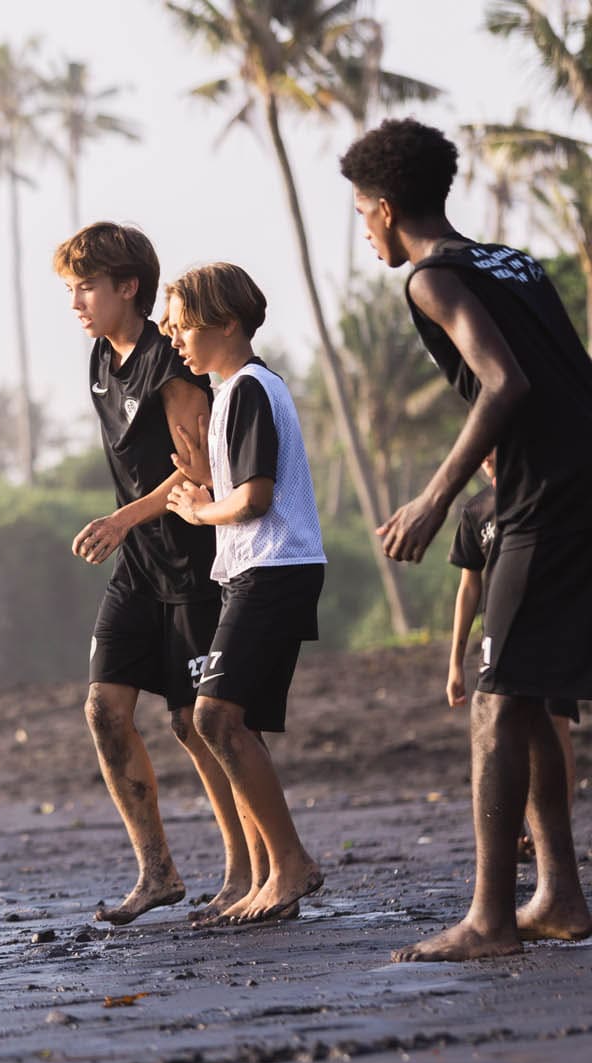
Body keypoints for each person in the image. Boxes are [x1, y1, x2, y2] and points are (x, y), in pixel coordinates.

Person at [340, 117, 592, 959]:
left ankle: (490, 918)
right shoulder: (513, 261)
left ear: (381, 208)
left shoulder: (429, 278)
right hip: (572, 486)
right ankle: (557, 893)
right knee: (530, 695)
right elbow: (564, 374)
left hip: (545, 504)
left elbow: (505, 380)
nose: (361, 227)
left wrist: (433, 497)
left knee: (494, 699)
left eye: (359, 211)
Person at [53, 222, 261, 925]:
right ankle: (157, 872)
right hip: (137, 568)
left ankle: (245, 869)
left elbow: (198, 467)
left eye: (86, 287)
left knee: (191, 721)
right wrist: (125, 526)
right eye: (71, 289)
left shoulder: (166, 365)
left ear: (127, 287)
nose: (76, 302)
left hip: (195, 562)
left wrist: (122, 519)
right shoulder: (96, 360)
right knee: (104, 711)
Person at [163, 262, 328, 924]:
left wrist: (200, 509)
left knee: (214, 718)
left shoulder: (249, 388)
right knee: (239, 723)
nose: (175, 338)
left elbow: (256, 499)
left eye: (183, 326)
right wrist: (205, 482)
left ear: (226, 324)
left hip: (273, 567)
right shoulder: (236, 391)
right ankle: (269, 877)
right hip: (257, 570)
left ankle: (290, 865)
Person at [445, 453, 577, 855]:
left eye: (496, 447)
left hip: (551, 629)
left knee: (554, 722)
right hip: (499, 637)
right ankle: (514, 831)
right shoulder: (477, 510)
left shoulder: (547, 495)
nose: (488, 457)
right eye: (482, 448)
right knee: (502, 725)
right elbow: (469, 588)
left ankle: (554, 836)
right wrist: (455, 662)